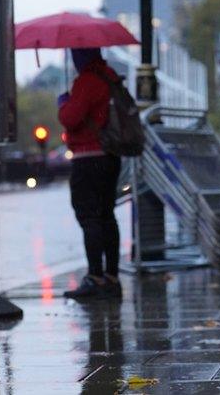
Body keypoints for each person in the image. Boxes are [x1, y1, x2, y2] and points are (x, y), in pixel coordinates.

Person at [58, 48, 123, 300]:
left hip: (88, 157)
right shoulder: (110, 77)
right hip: (110, 156)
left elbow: (71, 118)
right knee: (107, 215)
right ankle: (111, 276)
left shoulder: (87, 81)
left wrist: (63, 104)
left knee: (90, 217)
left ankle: (94, 277)